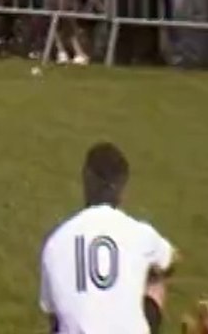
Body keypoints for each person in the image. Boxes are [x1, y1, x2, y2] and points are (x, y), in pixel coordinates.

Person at [40, 143, 175, 334]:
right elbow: (170, 260)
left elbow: (53, 316)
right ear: (122, 189)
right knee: (156, 283)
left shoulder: (56, 241)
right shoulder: (140, 234)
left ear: (85, 179)